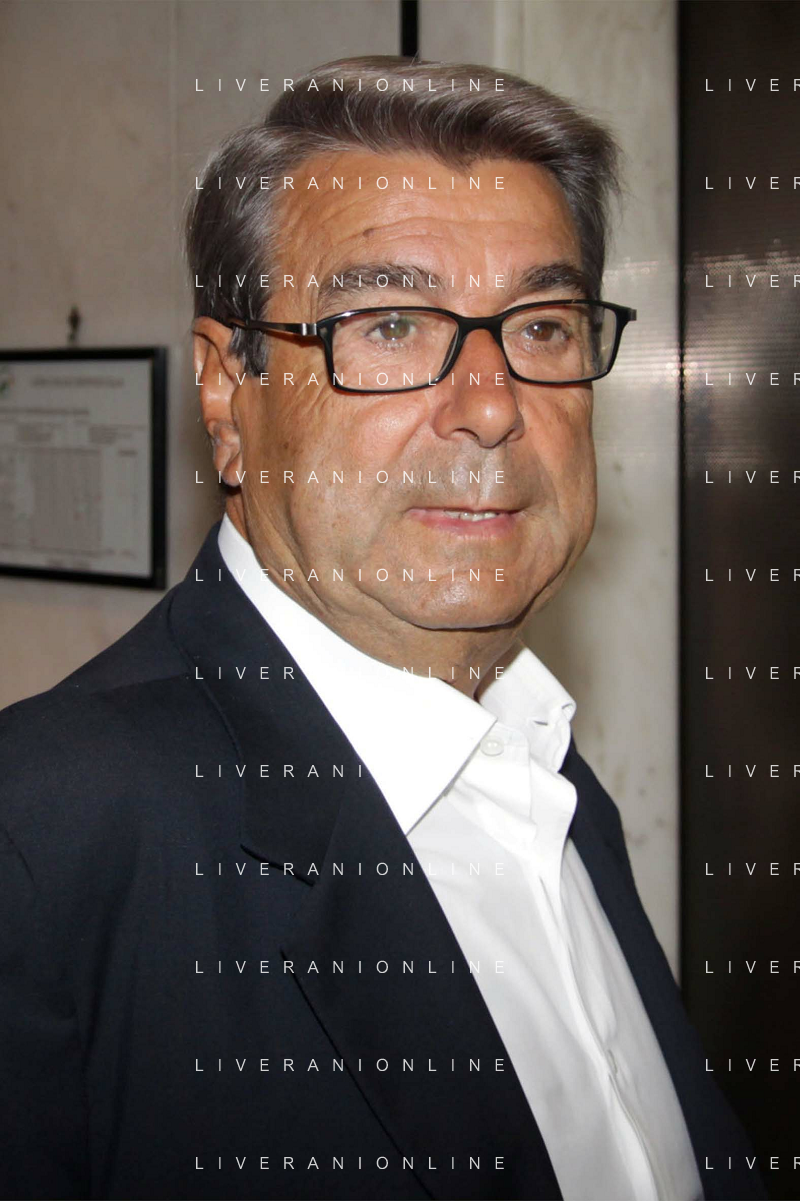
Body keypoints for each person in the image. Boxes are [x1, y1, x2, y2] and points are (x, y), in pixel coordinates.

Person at [0, 56, 764, 1201]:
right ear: (227, 395)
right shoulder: (47, 838)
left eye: (541, 326)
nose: (492, 404)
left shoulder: (540, 772)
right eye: (393, 325)